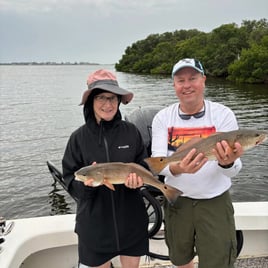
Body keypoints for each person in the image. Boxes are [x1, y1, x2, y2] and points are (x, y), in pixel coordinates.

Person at [150, 58, 244, 268]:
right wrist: (177, 168)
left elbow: (234, 171)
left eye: (193, 78)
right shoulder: (162, 118)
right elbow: (158, 164)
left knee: (218, 260)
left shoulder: (223, 114)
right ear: (174, 85)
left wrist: (228, 163)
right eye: (180, 80)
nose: (187, 85)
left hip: (215, 201)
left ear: (203, 80)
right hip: (178, 202)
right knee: (180, 258)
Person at [62, 69, 149, 268]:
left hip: (131, 222)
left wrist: (138, 182)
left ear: (119, 101)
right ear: (91, 100)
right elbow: (70, 179)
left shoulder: (131, 132)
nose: (107, 104)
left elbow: (143, 165)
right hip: (94, 226)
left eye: (112, 98)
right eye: (101, 97)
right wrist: (87, 187)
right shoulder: (78, 138)